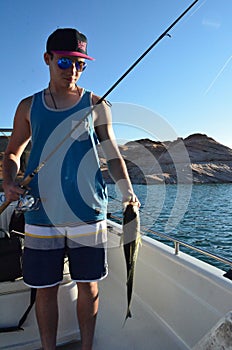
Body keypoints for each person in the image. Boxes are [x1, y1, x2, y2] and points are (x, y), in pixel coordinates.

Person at [3, 28, 139, 350]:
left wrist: (128, 192)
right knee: (45, 289)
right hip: (40, 214)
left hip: (88, 213)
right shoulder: (27, 107)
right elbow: (12, 153)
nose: (73, 71)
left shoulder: (97, 105)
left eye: (80, 64)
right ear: (47, 59)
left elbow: (112, 154)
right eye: (65, 62)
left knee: (88, 287)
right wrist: (8, 181)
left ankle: (86, 347)